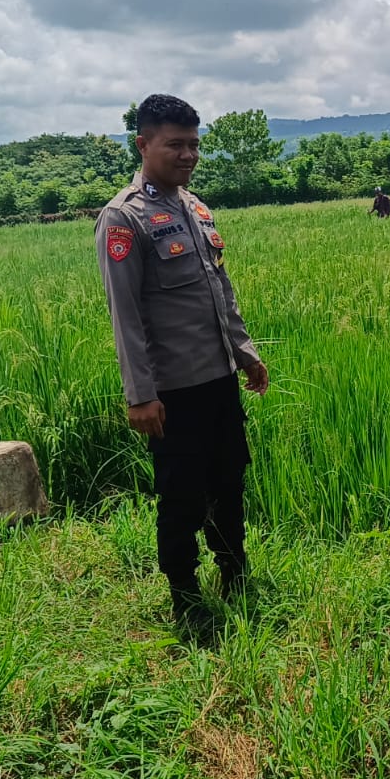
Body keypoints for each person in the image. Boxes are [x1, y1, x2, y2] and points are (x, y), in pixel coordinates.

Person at [95, 93, 269, 637]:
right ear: (143, 144)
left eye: (194, 144)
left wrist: (245, 353)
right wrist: (140, 395)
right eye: (175, 144)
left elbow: (220, 290)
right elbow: (125, 315)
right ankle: (185, 595)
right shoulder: (124, 218)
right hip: (172, 391)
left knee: (229, 480)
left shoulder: (195, 208)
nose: (188, 154)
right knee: (182, 494)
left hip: (218, 378)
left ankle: (234, 570)